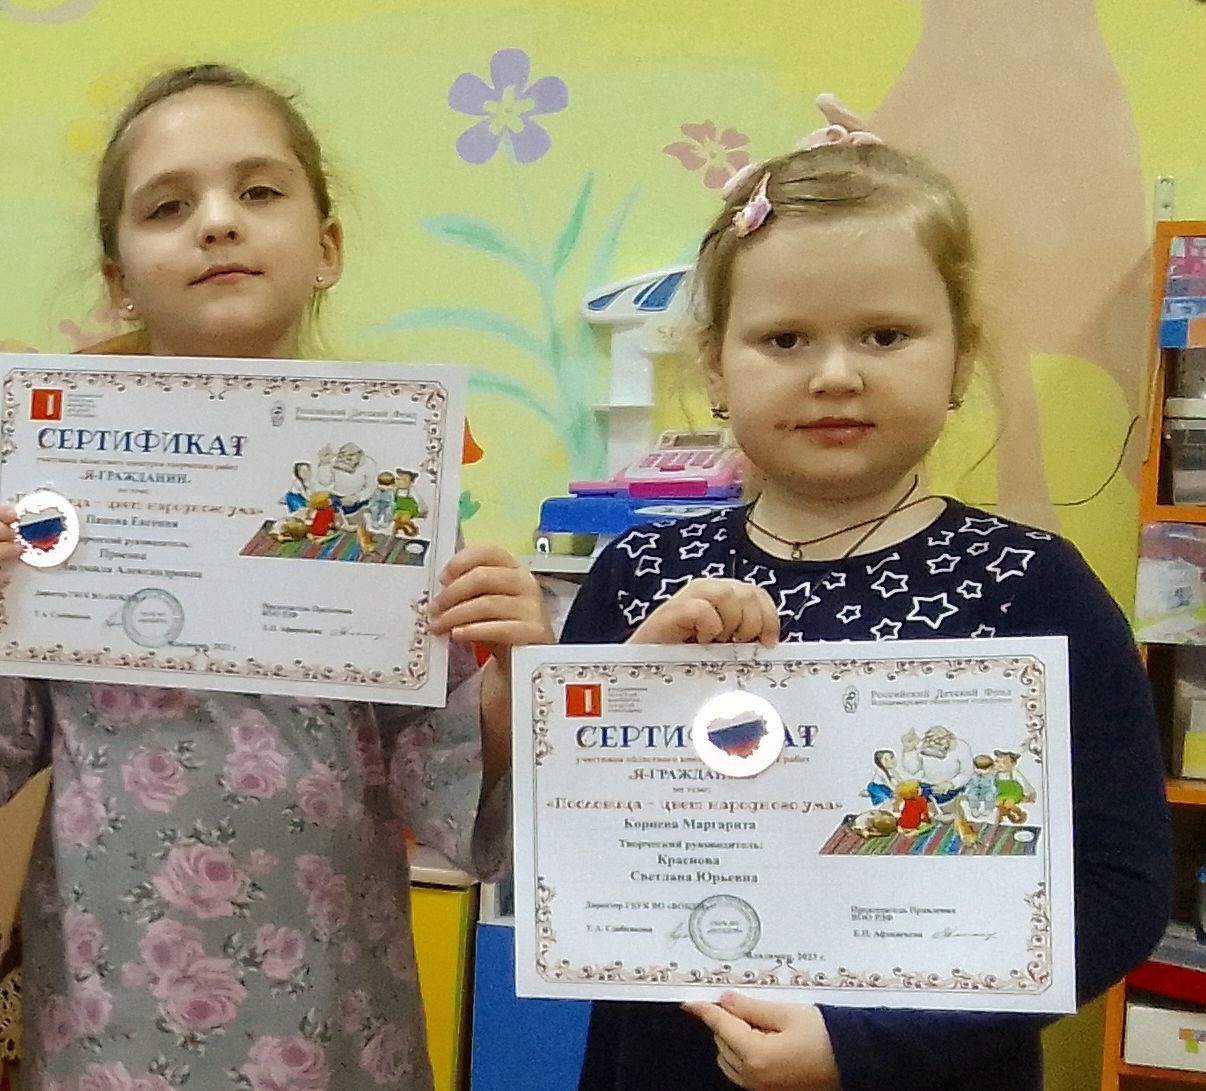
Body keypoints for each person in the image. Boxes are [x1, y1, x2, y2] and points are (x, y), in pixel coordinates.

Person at [564, 95, 1171, 1090]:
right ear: (714, 363)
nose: (836, 375)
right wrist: (626, 698)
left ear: (962, 354)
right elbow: (567, 854)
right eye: (785, 340)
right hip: (675, 1061)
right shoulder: (641, 577)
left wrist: (866, 1043)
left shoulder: (1030, 586)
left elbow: (1118, 883)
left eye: (885, 335)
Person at [0, 64, 552, 1091]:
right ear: (118, 279)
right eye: (168, 206)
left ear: (326, 247)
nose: (218, 222)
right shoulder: (51, 495)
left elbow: (443, 787)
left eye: (258, 191)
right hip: (111, 1028)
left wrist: (520, 674)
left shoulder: (388, 487)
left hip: (333, 1022)